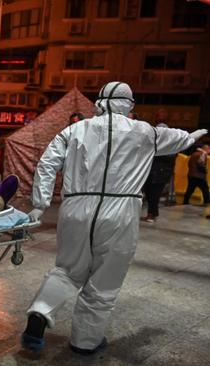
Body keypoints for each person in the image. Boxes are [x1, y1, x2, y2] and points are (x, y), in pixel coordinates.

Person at [22, 81, 206, 355]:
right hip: (121, 211)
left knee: (67, 270)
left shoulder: (74, 129)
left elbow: (47, 164)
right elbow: (179, 139)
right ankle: (84, 342)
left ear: (99, 103)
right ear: (128, 105)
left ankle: (40, 312)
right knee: (104, 281)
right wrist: (193, 136)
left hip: (76, 208)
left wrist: (40, 203)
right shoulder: (145, 132)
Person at [143, 123, 177, 222]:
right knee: (148, 194)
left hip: (161, 174)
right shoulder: (152, 141)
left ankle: (151, 214)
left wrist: (156, 151)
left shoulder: (171, 143)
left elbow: (171, 157)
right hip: (149, 172)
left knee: (154, 195)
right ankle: (153, 212)